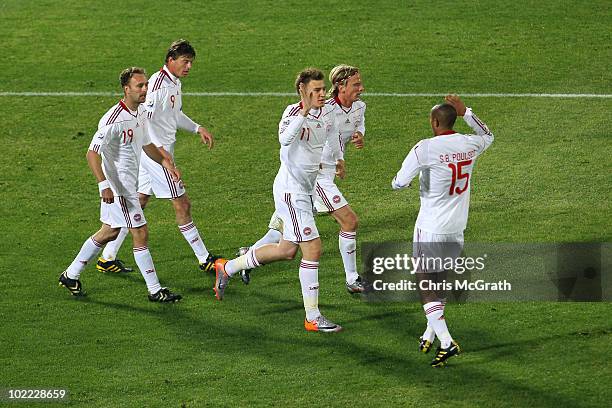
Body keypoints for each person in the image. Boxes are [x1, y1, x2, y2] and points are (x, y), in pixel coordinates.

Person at [214, 68, 345, 332]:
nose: (322, 94)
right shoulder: (291, 114)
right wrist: (305, 111)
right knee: (313, 248)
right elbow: (284, 140)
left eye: (322, 89)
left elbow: (332, 134)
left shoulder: (329, 111)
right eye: (316, 91)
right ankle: (312, 317)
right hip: (290, 190)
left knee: (286, 250)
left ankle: (227, 267)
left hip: (306, 189)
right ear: (303, 92)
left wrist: (338, 157)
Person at [238, 65, 367, 294]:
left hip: (313, 178)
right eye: (356, 84)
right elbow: (286, 139)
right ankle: (351, 279)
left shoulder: (355, 108)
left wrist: (347, 151)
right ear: (341, 86)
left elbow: (343, 132)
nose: (361, 88)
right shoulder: (320, 108)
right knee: (348, 221)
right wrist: (304, 111)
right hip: (314, 178)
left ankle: (246, 257)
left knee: (284, 236)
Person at [59, 67, 182, 302]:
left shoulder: (141, 113)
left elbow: (147, 145)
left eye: (146, 84)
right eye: (140, 86)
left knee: (110, 231)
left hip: (127, 185)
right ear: (127, 89)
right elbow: (92, 154)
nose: (145, 89)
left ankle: (71, 274)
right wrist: (103, 185)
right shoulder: (113, 119)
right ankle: (155, 290)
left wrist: (166, 162)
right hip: (119, 189)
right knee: (140, 232)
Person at [97, 39, 218, 274]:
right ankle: (204, 259)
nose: (189, 67)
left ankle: (107, 257)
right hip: (155, 155)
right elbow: (146, 123)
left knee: (138, 202)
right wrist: (163, 157)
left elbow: (175, 114)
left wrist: (197, 127)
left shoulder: (174, 83)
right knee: (182, 203)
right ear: (171, 61)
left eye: (191, 62)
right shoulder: (157, 86)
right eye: (185, 62)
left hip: (155, 154)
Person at [392, 94, 494, 366]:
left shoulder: (425, 148)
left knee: (425, 283)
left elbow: (400, 183)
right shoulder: (470, 144)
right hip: (457, 226)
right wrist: (467, 113)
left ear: (435, 122)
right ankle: (430, 332)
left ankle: (447, 341)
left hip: (430, 227)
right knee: (440, 279)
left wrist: (402, 182)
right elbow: (488, 135)